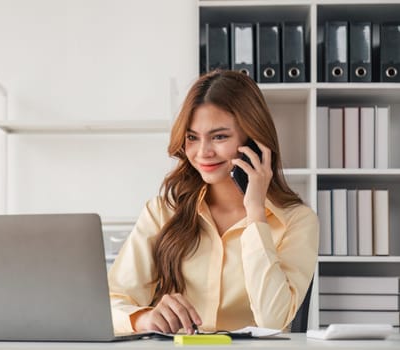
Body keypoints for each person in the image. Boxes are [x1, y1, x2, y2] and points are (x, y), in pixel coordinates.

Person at [108, 70, 319, 335]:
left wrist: (255, 213)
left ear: (253, 141)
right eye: (192, 137)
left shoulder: (297, 221)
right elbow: (110, 303)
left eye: (219, 137)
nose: (203, 152)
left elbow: (273, 320)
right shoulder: (163, 212)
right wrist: (144, 319)